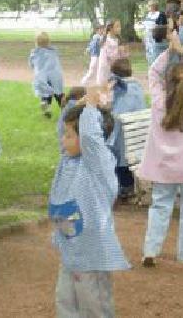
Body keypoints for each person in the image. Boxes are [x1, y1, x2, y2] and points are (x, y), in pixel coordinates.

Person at [49, 91, 130, 316]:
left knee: (94, 306)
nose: (63, 139)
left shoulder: (98, 163)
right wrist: (78, 105)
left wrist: (92, 108)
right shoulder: (69, 157)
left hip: (91, 252)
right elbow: (64, 130)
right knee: (65, 301)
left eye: (69, 135)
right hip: (71, 247)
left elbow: (90, 137)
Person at [138, 32, 183, 265]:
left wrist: (169, 51)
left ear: (166, 82)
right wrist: (182, 51)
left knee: (160, 205)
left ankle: (150, 250)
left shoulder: (158, 101)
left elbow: (152, 72)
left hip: (163, 167)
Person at [108, 58, 146, 200]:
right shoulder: (137, 86)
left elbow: (118, 117)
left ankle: (125, 186)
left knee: (111, 148)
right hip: (139, 133)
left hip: (126, 136)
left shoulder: (123, 90)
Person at [29, 32, 65, 119]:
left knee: (45, 93)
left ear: (36, 42)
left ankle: (46, 108)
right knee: (58, 94)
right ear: (48, 42)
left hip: (43, 77)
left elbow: (32, 64)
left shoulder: (35, 53)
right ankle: (65, 109)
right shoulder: (53, 51)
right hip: (55, 76)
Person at [96, 20, 128, 85]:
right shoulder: (106, 41)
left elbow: (123, 57)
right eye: (117, 26)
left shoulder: (117, 40)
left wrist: (124, 52)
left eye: (120, 26)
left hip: (114, 70)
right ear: (111, 28)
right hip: (106, 71)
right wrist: (120, 50)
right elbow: (112, 57)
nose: (120, 28)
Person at [143, 1, 161, 65]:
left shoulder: (158, 14)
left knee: (154, 51)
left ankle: (155, 67)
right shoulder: (148, 15)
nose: (148, 7)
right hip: (147, 35)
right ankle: (150, 67)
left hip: (154, 34)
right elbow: (145, 26)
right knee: (148, 52)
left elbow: (158, 25)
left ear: (154, 6)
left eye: (149, 6)